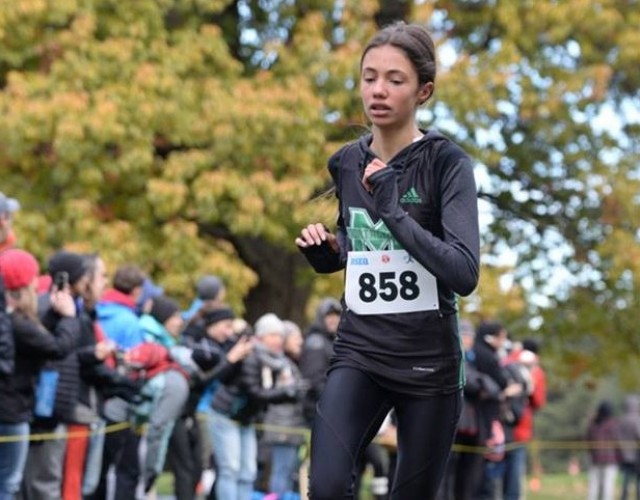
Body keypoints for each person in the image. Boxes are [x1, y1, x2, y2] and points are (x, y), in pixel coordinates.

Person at [295, 21, 480, 499]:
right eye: (369, 77)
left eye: (395, 80)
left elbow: (463, 272)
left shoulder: (447, 163)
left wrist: (394, 211)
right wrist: (328, 254)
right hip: (360, 351)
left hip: (428, 366)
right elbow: (356, 242)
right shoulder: (347, 162)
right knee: (329, 487)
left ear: (424, 91)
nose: (377, 90)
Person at [0, 249, 79, 500]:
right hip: (11, 411)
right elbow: (56, 348)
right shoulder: (16, 322)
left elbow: (39, 338)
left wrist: (55, 315)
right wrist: (69, 318)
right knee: (9, 483)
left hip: (11, 407)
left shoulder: (11, 321)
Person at [586, 400, 622, 500]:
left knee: (594, 486)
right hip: (610, 459)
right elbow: (618, 441)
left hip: (596, 458)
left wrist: (591, 453)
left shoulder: (593, 424)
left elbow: (588, 440)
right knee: (608, 487)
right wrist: (620, 456)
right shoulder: (614, 424)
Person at [617, 394, 640, 500]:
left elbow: (618, 437)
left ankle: (624, 498)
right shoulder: (637, 420)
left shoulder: (622, 420)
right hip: (636, 456)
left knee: (626, 480)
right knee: (638, 481)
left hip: (624, 454)